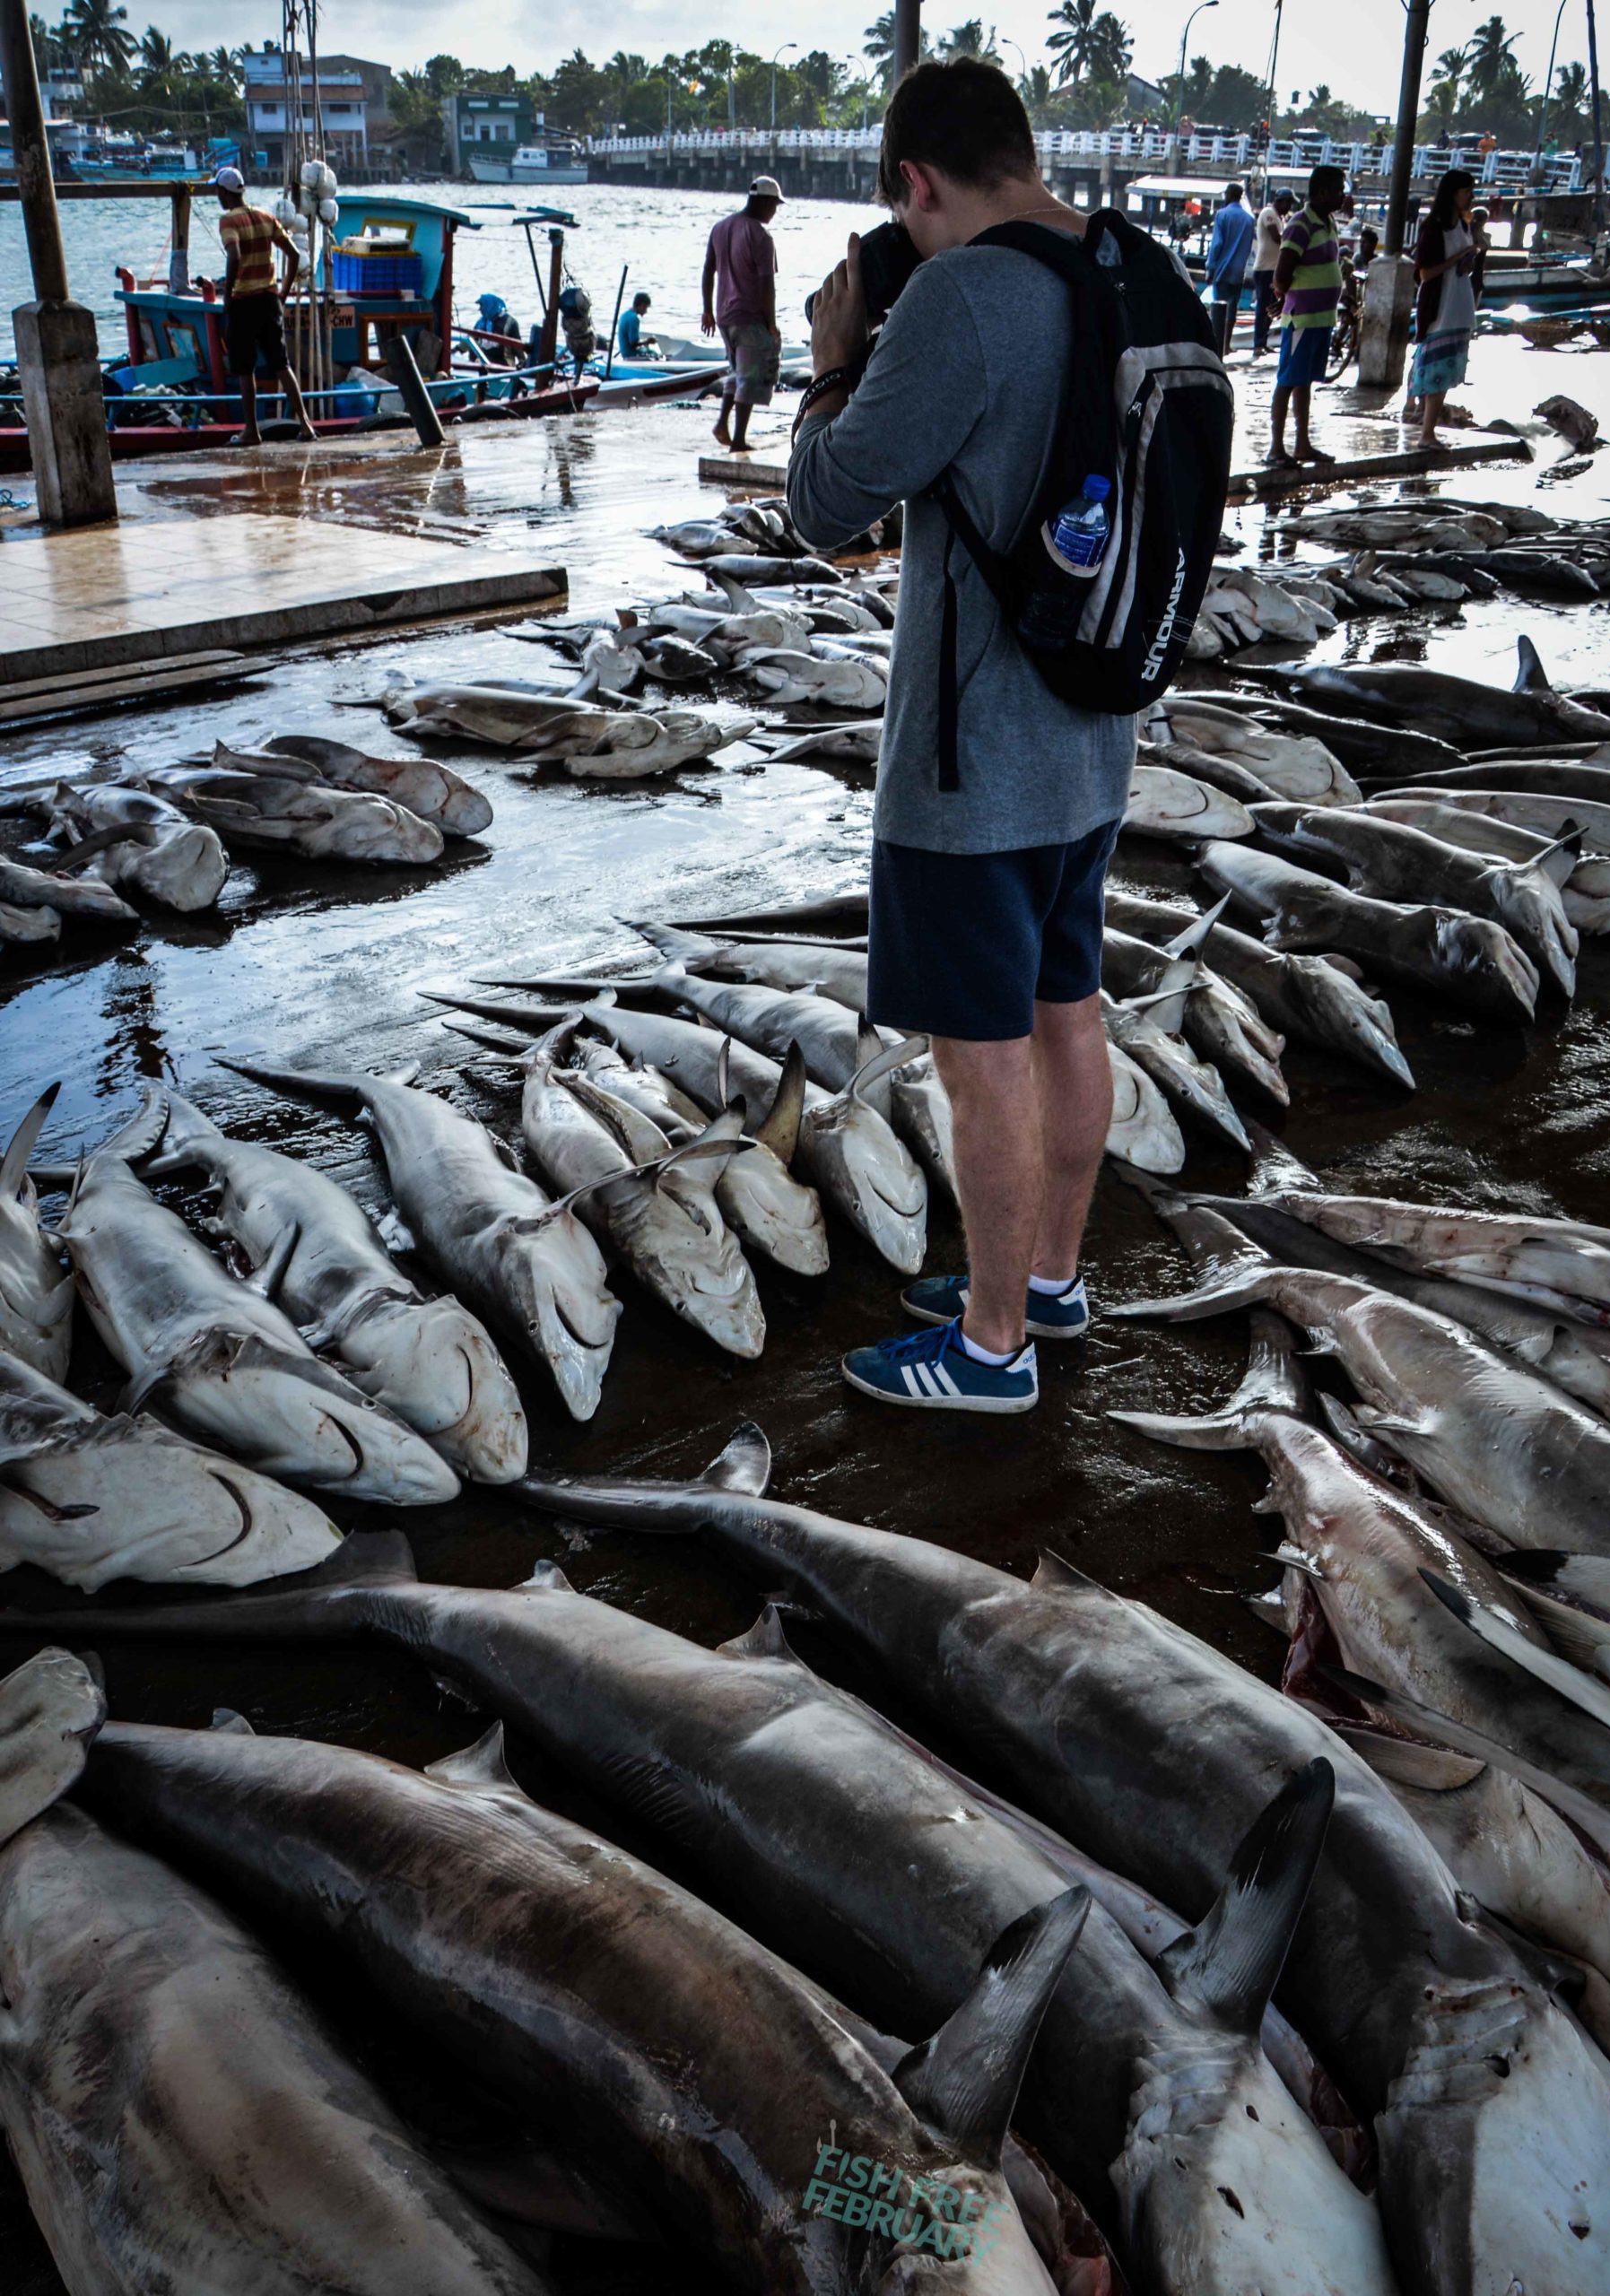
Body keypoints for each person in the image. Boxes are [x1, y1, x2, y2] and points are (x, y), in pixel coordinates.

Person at [786, 58, 1141, 1414]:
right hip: (1092, 730)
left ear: (915, 182)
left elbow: (825, 508)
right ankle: (1046, 1277)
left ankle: (990, 1349)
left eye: (906, 211)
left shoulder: (958, 293)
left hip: (966, 764)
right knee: (1066, 1013)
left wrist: (832, 361)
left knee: (978, 1056)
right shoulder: (1127, 267)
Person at [213, 165, 315, 447]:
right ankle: (305, 424)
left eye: (218, 190)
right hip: (269, 300)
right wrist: (282, 293)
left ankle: (251, 430)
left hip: (244, 302)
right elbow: (293, 254)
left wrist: (228, 295)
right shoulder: (265, 216)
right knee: (281, 364)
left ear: (224, 192)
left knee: (244, 369)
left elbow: (233, 256)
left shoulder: (228, 221)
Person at [1267, 164, 1345, 467]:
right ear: (1322, 192)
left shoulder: (1328, 223)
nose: (1342, 196)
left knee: (1304, 383)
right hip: (1302, 319)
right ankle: (1276, 448)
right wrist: (1286, 296)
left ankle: (1302, 445)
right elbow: (1282, 273)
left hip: (1322, 320)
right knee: (1288, 380)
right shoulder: (1301, 224)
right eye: (1338, 189)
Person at [702, 174, 784, 454]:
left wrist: (706, 310)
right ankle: (738, 441)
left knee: (736, 373)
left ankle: (722, 424)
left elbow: (707, 271)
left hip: (724, 316)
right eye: (774, 205)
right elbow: (766, 285)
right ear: (763, 202)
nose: (775, 212)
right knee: (749, 378)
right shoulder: (760, 236)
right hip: (749, 316)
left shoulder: (720, 227)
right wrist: (771, 324)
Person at [1408, 170, 1484, 449]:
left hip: (1459, 306)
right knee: (1433, 372)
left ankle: (1429, 431)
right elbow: (1425, 274)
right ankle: (1426, 433)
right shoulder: (1434, 227)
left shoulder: (1464, 226)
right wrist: (1458, 259)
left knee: (1445, 373)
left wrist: (1468, 260)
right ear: (1453, 193)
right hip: (1440, 308)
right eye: (1467, 191)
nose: (1471, 196)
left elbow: (1462, 264)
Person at [1203, 179, 1255, 351]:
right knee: (1232, 310)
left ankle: (1216, 345)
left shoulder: (1222, 215)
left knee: (1218, 309)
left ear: (1230, 195)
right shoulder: (1249, 219)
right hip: (1239, 271)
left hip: (1222, 270)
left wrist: (1210, 268)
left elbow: (1217, 245)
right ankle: (1227, 345)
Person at [1250, 187, 1293, 355]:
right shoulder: (1269, 213)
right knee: (1263, 307)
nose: (1289, 207)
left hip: (1273, 268)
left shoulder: (1279, 218)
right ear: (1280, 201)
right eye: (1288, 202)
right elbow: (1276, 237)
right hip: (1265, 268)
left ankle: (1264, 341)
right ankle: (1258, 343)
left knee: (1271, 307)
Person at [617, 291, 655, 361]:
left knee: (646, 350)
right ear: (642, 305)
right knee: (654, 354)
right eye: (645, 308)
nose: (646, 311)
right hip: (630, 354)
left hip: (624, 352)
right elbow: (633, 344)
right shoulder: (634, 318)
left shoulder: (625, 315)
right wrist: (647, 341)